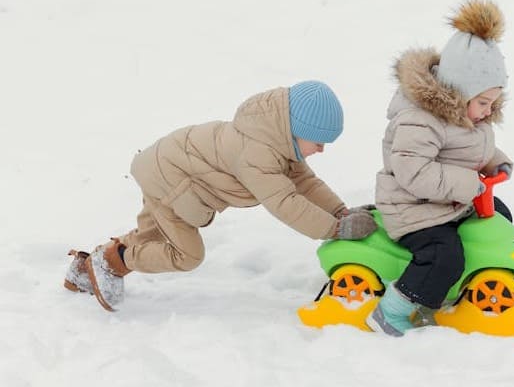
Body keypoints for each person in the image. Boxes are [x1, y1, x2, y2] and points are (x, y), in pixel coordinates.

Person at [64, 80, 378, 311]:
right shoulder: (257, 153)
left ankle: (83, 271)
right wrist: (335, 229)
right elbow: (285, 202)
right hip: (171, 180)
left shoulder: (275, 141)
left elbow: (305, 183)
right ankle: (112, 261)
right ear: (295, 130)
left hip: (166, 165)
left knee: (151, 236)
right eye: (318, 142)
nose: (321, 150)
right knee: (187, 254)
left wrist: (340, 211)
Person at [366, 0, 514, 336]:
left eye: (493, 104)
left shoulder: (467, 115)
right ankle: (392, 311)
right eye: (483, 102)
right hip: (414, 209)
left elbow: (468, 149)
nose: (488, 111)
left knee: (499, 215)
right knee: (442, 255)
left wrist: (495, 162)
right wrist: (468, 184)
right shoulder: (420, 120)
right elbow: (414, 172)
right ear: (459, 91)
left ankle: (465, 281)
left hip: (447, 202)